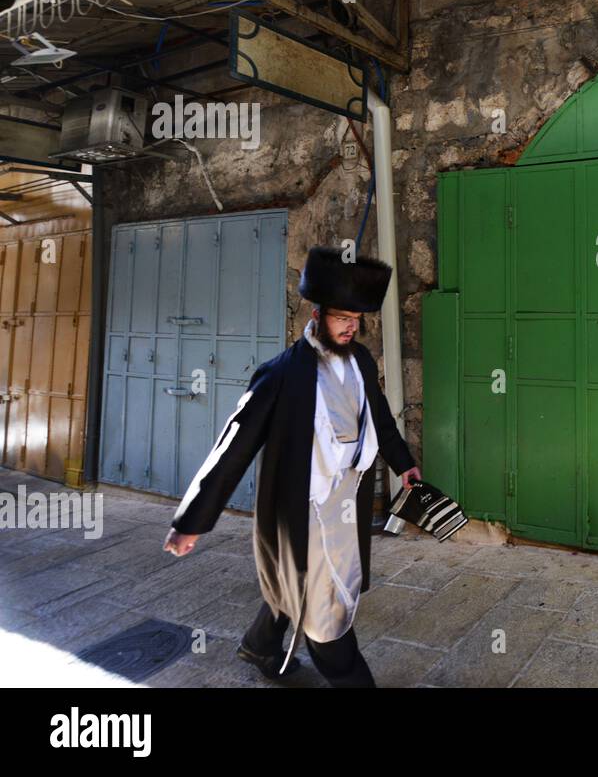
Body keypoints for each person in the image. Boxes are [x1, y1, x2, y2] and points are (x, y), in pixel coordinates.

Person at [162, 245, 422, 687]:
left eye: (356, 320)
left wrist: (403, 464)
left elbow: (376, 414)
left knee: (300, 580)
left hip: (347, 502)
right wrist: (192, 521)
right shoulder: (281, 374)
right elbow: (233, 447)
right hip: (301, 509)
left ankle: (260, 644)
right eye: (342, 317)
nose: (350, 328)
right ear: (318, 315)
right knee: (326, 607)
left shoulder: (360, 360)